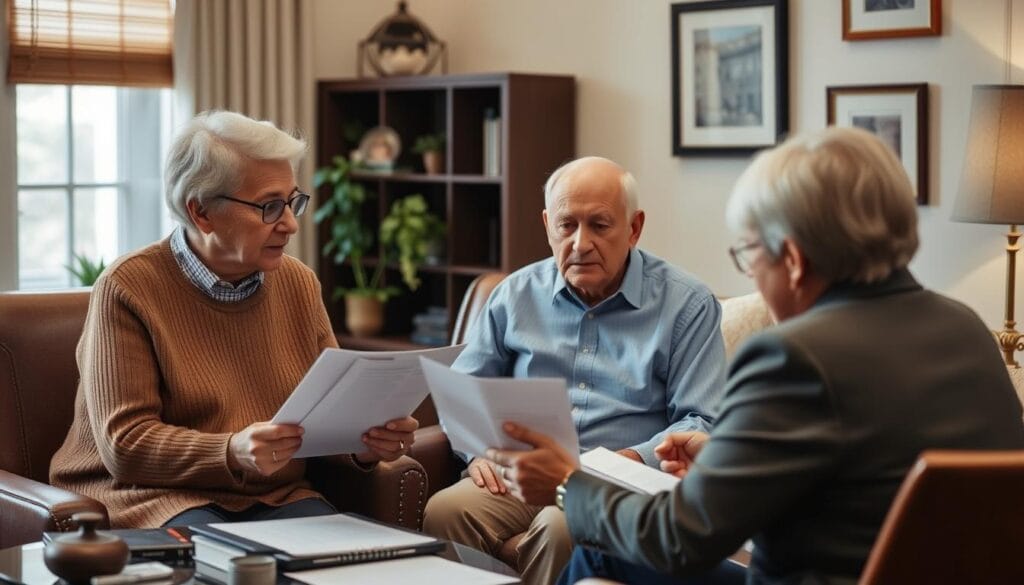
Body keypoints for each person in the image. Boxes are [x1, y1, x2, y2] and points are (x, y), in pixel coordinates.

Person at [485, 127, 1024, 585]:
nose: (752, 277)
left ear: (791, 258)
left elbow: (681, 540)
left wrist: (567, 483)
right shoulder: (967, 328)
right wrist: (728, 453)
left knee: (600, 545)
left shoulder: (793, 357)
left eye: (748, 255)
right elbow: (856, 482)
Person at [50, 111, 418, 528]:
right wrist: (229, 451)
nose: (291, 224)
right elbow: (126, 445)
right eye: (269, 206)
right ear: (201, 211)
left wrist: (364, 444)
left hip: (273, 495)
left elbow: (324, 415)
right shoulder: (128, 287)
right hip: (149, 497)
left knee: (354, 561)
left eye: (293, 201)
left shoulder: (298, 284)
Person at [422, 156, 728, 585]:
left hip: (620, 482)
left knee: (560, 527)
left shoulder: (687, 304)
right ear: (548, 224)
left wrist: (629, 460)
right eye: (567, 225)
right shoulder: (515, 295)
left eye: (600, 225)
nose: (581, 243)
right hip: (522, 470)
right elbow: (463, 391)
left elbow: (703, 419)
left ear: (634, 227)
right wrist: (477, 454)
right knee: (446, 511)